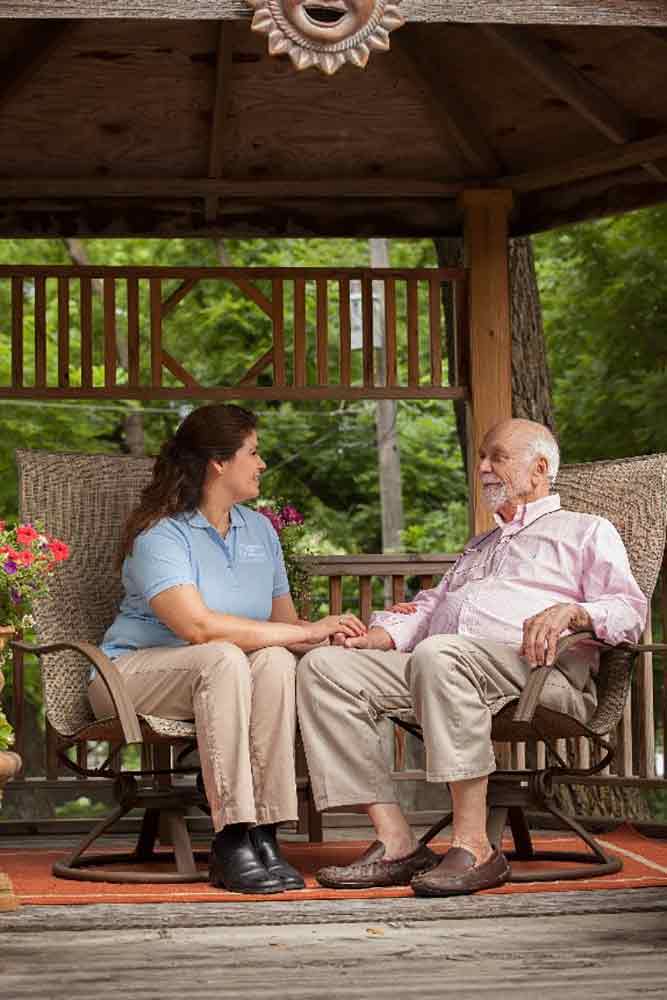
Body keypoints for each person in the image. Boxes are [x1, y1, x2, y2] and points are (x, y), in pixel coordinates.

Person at [297, 418, 647, 897]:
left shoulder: (585, 532)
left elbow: (630, 611)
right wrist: (380, 636)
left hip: (538, 674)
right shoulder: (482, 545)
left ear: (539, 468)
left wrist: (573, 611)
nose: (481, 466)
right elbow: (431, 609)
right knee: (325, 667)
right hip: (445, 664)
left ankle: (473, 845)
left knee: (442, 654)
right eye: (481, 456)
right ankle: (397, 841)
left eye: (496, 456)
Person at [89, 403, 366, 894]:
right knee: (221, 655)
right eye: (253, 453)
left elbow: (283, 627)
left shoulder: (259, 530)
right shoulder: (161, 535)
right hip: (127, 678)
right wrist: (307, 630)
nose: (262, 464)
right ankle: (231, 835)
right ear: (219, 462)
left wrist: (328, 634)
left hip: (219, 675)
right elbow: (196, 627)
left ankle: (265, 832)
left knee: (276, 660)